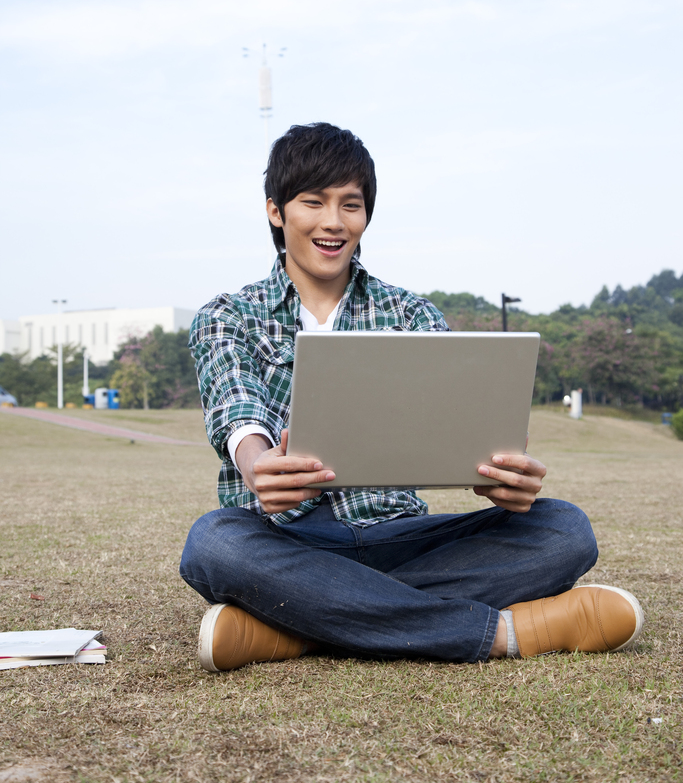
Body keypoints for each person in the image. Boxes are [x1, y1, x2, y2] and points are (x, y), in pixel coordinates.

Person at [180, 122, 643, 670]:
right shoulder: (227, 316)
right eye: (313, 202)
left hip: (402, 532)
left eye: (350, 205)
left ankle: (296, 626)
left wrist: (500, 475)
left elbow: (459, 426)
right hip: (287, 539)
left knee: (565, 530)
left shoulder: (412, 316)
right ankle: (498, 633)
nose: (333, 222)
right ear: (276, 211)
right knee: (215, 542)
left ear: (366, 215)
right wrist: (257, 465)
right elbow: (236, 404)